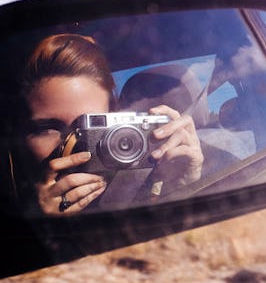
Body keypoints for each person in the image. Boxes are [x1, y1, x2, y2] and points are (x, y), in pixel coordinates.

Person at [17, 34, 203, 216]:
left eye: (89, 125)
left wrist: (183, 187)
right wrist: (37, 218)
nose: (72, 144)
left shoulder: (145, 175)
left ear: (114, 119)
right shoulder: (14, 195)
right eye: (47, 129)